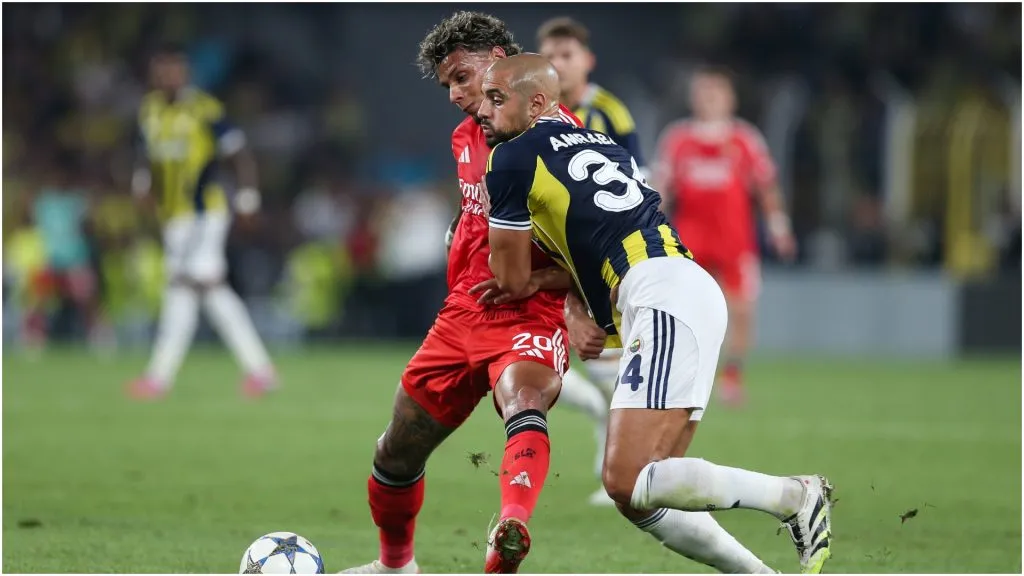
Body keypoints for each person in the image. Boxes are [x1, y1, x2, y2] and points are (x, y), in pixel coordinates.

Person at [478, 54, 834, 575]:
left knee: (626, 477)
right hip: (678, 289)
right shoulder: (603, 145)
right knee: (642, 490)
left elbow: (506, 279)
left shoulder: (511, 157)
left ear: (535, 104)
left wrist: (521, 273)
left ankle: (795, 496)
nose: (482, 112)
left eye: (495, 99)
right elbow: (600, 240)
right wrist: (579, 297)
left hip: (660, 296)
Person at [339, 12, 603, 575]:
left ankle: (510, 528)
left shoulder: (566, 138)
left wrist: (572, 299)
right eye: (449, 86)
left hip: (530, 308)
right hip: (462, 313)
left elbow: (600, 242)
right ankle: (395, 567)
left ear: (503, 57)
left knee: (522, 399)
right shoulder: (468, 135)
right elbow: (484, 212)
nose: (457, 95)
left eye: (463, 76)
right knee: (395, 451)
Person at [126, 43, 276, 400]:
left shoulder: (204, 110)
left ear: (185, 73)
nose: (169, 77)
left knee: (186, 285)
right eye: (162, 70)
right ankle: (260, 371)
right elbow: (147, 156)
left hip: (204, 212)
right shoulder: (150, 110)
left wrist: (247, 198)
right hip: (174, 216)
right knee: (204, 288)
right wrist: (142, 185)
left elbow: (239, 153)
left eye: (175, 69)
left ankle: (159, 377)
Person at [536, 15, 644, 506]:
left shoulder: (609, 113)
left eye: (567, 56)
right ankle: (619, 455)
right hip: (550, 249)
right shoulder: (533, 111)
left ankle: (624, 466)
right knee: (562, 358)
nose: (559, 64)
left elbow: (637, 181)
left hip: (596, 255)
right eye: (551, 56)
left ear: (586, 61)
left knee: (604, 362)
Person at [654, 66, 797, 406]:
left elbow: (766, 187)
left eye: (716, 92)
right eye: (704, 92)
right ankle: (682, 374)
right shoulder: (678, 139)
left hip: (734, 237)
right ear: (694, 98)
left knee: (742, 307)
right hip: (689, 237)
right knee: (683, 308)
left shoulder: (744, 139)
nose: (710, 99)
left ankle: (732, 375)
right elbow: (661, 188)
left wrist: (779, 227)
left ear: (730, 99)